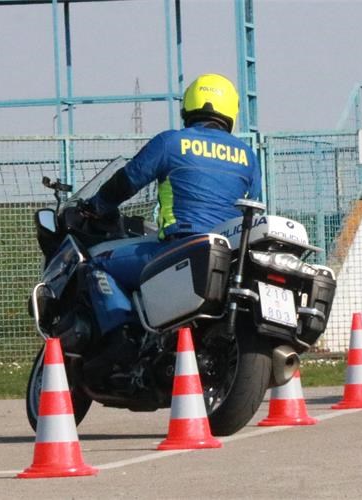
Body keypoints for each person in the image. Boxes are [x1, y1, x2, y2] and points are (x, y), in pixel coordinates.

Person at [82, 73, 262, 382]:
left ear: (189, 106)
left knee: (97, 264)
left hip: (178, 247)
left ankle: (120, 337)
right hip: (227, 254)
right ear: (231, 111)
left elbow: (128, 180)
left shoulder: (171, 142)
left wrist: (96, 207)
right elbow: (254, 204)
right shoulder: (247, 155)